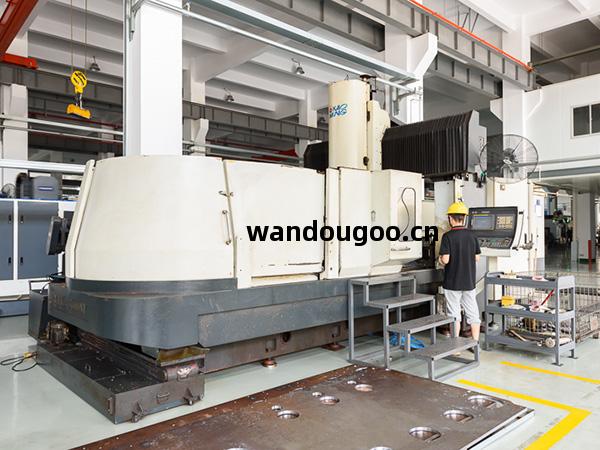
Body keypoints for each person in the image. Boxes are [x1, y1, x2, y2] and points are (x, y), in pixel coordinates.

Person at [438, 202, 481, 342]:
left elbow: (445, 260)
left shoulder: (447, 236)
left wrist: (440, 259)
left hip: (452, 282)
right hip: (468, 282)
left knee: (454, 314)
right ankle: (475, 343)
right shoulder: (472, 235)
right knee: (473, 313)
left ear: (450, 218)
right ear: (464, 218)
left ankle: (455, 345)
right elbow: (477, 257)